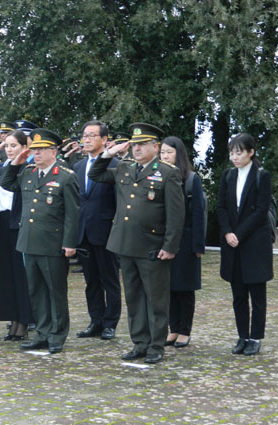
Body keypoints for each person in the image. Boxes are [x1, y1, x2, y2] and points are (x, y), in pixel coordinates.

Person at [89, 122, 184, 364]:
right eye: (134, 145)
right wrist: (108, 153)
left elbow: (176, 214)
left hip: (152, 246)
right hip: (126, 244)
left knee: (155, 298)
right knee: (133, 297)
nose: (137, 149)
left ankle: (156, 345)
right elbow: (95, 174)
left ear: (155, 146)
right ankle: (139, 342)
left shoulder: (167, 172)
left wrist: (170, 246)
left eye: (142, 145)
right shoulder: (125, 168)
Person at [1, 128, 80, 354]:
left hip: (52, 243)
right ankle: (42, 332)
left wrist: (70, 243)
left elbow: (73, 214)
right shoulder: (27, 173)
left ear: (53, 151)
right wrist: (17, 161)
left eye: (41, 150)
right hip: (29, 241)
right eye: (33, 150)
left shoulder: (65, 176)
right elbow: (6, 183)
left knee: (55, 291)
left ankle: (57, 334)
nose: (36, 154)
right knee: (36, 291)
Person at [217, 133, 273, 356]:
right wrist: (228, 232)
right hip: (232, 244)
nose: (234, 157)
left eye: (239, 152)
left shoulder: (262, 176)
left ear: (251, 152)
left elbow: (261, 211)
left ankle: (255, 337)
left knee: (257, 295)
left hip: (254, 244)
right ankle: (242, 336)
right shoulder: (228, 176)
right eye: (232, 152)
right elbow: (221, 207)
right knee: (238, 294)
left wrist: (238, 233)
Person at [73, 121, 121, 341]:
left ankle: (110, 323)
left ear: (104, 139)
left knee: (109, 278)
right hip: (84, 231)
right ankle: (96, 320)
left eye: (92, 135)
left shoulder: (116, 165)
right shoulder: (78, 166)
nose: (87, 139)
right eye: (85, 135)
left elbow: (121, 202)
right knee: (91, 280)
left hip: (106, 229)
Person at [0, 130, 34, 340]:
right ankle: (11, 318)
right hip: (1, 224)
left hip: (19, 224)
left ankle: (23, 321)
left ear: (25, 148)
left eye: (13, 145)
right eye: (7, 146)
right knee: (5, 276)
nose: (9, 150)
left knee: (20, 275)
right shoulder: (1, 169)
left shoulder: (27, 169)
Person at [159, 136, 205, 348]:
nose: (165, 155)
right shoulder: (157, 177)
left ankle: (185, 330)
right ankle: (173, 328)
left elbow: (198, 214)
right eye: (162, 152)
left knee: (184, 288)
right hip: (163, 239)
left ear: (179, 154)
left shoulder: (190, 179)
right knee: (167, 287)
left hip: (185, 241)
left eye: (169, 152)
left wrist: (197, 246)